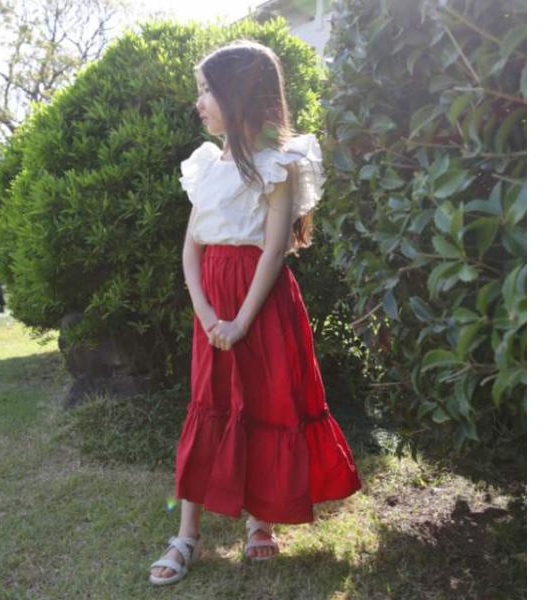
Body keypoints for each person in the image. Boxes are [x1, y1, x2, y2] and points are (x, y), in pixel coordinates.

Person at [149, 39, 363, 586]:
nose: (199, 102)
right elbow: (191, 247)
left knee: (265, 400)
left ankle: (260, 520)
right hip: (214, 301)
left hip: (261, 303)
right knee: (209, 403)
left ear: (238, 94)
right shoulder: (205, 166)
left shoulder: (279, 164)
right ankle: (186, 534)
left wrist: (242, 321)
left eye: (207, 91)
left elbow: (273, 250)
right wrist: (206, 313)